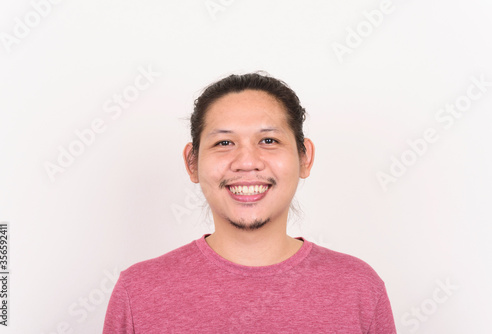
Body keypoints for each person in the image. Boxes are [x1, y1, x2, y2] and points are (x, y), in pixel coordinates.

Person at [103, 72, 397, 333]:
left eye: (268, 141)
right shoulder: (138, 291)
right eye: (224, 143)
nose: (246, 162)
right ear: (192, 163)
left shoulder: (358, 288)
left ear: (304, 157)